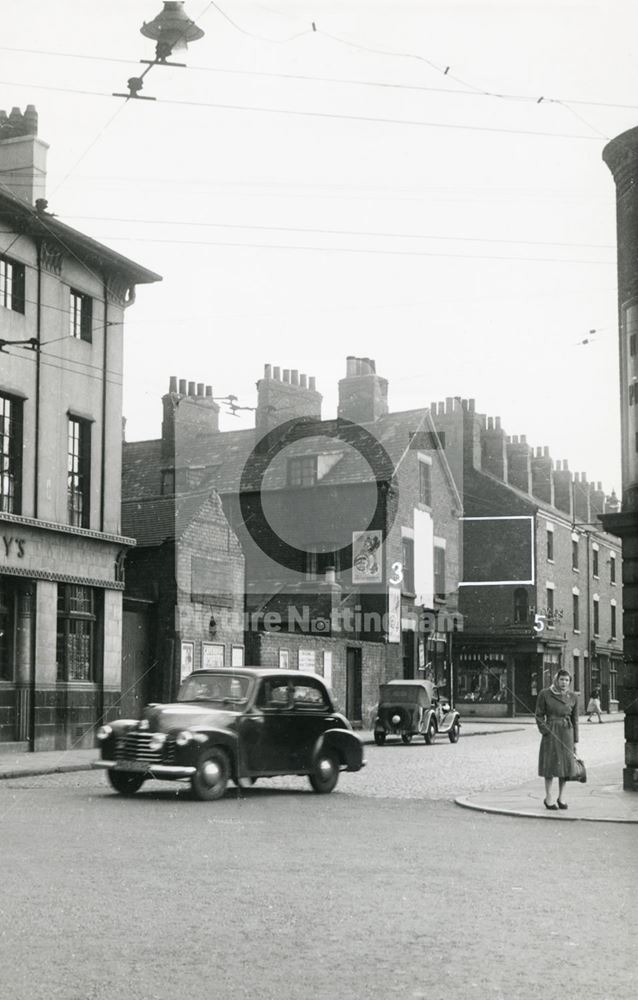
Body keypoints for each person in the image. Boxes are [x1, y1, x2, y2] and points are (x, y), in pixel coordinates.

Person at [535, 669, 579, 810]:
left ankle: (562, 797)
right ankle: (548, 797)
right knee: (550, 764)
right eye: (561, 680)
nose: (564, 683)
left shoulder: (573, 697)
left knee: (565, 766)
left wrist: (575, 739)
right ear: (556, 680)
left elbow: (575, 719)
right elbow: (539, 714)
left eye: (567, 680)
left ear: (570, 682)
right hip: (551, 732)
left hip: (567, 732)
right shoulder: (545, 694)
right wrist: (545, 730)